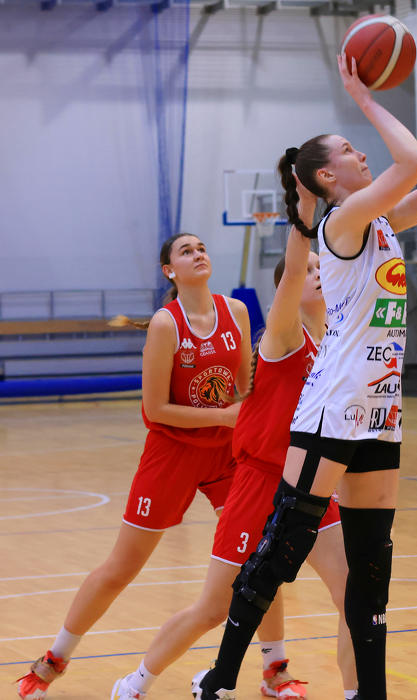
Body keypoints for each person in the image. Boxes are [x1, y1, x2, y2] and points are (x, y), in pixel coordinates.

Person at [193, 50, 417, 700]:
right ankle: (222, 678)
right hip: (333, 405)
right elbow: (414, 163)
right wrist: (367, 98)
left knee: (372, 568)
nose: (362, 152)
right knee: (283, 546)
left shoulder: (382, 222)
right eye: (350, 148)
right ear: (326, 175)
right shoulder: (340, 223)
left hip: (380, 409)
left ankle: (370, 694)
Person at [111, 183, 358, 700]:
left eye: (323, 268)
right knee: (216, 606)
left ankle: (353, 691)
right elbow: (294, 268)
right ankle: (138, 681)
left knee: (353, 594)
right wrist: (304, 209)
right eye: (310, 269)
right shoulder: (284, 335)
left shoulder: (332, 342)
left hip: (311, 484)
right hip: (259, 482)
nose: (317, 273)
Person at [16, 232, 252, 700]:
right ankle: (53, 659)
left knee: (254, 557)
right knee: (122, 568)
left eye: (201, 248)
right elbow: (155, 409)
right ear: (170, 270)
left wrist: (251, 420)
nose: (198, 254)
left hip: (226, 453)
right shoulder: (166, 324)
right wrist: (223, 416)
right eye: (186, 251)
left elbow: (244, 390)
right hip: (172, 453)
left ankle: (274, 665)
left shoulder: (237, 312)